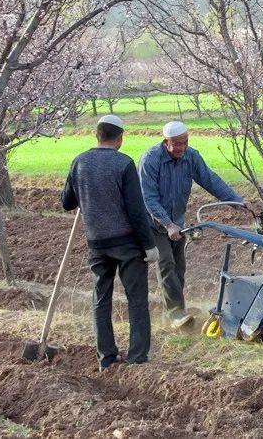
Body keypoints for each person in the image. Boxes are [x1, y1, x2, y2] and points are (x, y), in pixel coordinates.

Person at [61, 114, 159, 369]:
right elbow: (137, 210)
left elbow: (66, 203)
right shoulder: (124, 164)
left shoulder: (79, 162)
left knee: (100, 298)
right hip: (127, 244)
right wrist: (149, 245)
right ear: (120, 138)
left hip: (97, 243)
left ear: (97, 135)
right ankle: (137, 356)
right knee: (136, 299)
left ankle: (106, 356)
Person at [138, 120, 242, 328]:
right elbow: (148, 198)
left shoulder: (191, 157)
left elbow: (210, 180)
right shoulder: (150, 160)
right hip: (153, 223)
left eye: (184, 142)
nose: (181, 148)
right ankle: (176, 314)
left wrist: (237, 202)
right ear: (166, 141)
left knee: (179, 268)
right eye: (176, 144)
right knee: (166, 263)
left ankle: (177, 310)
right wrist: (167, 224)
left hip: (178, 221)